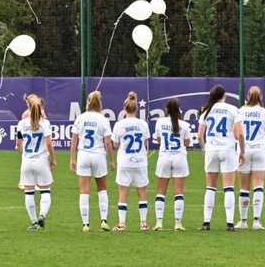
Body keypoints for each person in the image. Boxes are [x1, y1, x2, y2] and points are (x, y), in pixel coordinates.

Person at [197, 85, 245, 231]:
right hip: (227, 149)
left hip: (211, 150)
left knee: (210, 187)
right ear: (224, 96)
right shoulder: (232, 109)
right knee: (228, 188)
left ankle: (206, 222)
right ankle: (229, 223)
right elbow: (240, 134)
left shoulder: (206, 110)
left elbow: (199, 136)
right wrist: (242, 151)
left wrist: (204, 149)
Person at [70, 91, 115, 232]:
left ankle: (86, 224)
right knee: (102, 189)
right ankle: (103, 221)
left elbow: (74, 139)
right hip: (98, 156)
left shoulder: (81, 118)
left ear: (88, 102)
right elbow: (108, 142)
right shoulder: (103, 120)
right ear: (100, 103)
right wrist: (112, 160)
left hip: (83, 155)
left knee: (84, 191)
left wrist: (72, 158)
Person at [110, 92, 151, 231]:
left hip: (125, 162)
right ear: (136, 109)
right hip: (140, 161)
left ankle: (121, 224)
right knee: (142, 192)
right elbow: (145, 143)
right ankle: (144, 223)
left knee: (123, 193)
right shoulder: (143, 124)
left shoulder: (119, 125)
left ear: (124, 108)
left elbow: (115, 144)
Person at [152, 98, 192, 231]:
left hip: (164, 157)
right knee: (178, 192)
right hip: (179, 158)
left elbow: (158, 139)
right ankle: (178, 223)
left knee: (161, 192)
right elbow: (187, 143)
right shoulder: (184, 124)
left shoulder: (160, 122)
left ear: (167, 109)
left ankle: (159, 222)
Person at [236, 86, 265, 230]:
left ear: (247, 96)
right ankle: (256, 221)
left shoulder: (240, 111)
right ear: (261, 97)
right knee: (258, 184)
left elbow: (236, 133)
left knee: (244, 187)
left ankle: (243, 221)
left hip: (244, 150)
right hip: (259, 150)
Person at [17, 95, 56, 230]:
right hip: (41, 161)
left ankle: (33, 222)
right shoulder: (45, 123)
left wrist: (24, 155)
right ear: (41, 108)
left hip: (27, 161)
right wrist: (53, 159)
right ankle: (42, 215)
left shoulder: (21, 123)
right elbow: (49, 143)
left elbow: (18, 143)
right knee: (45, 191)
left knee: (29, 193)